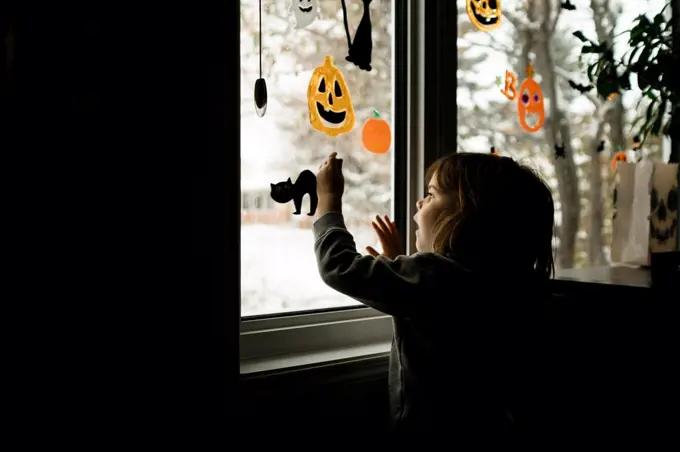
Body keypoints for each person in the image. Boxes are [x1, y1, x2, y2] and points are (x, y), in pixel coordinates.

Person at [313, 151, 556, 444]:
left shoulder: (437, 276)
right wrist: (396, 262)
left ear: (466, 216)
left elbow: (338, 267)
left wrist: (328, 201)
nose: (419, 202)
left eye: (431, 193)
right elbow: (433, 315)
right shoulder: (509, 282)